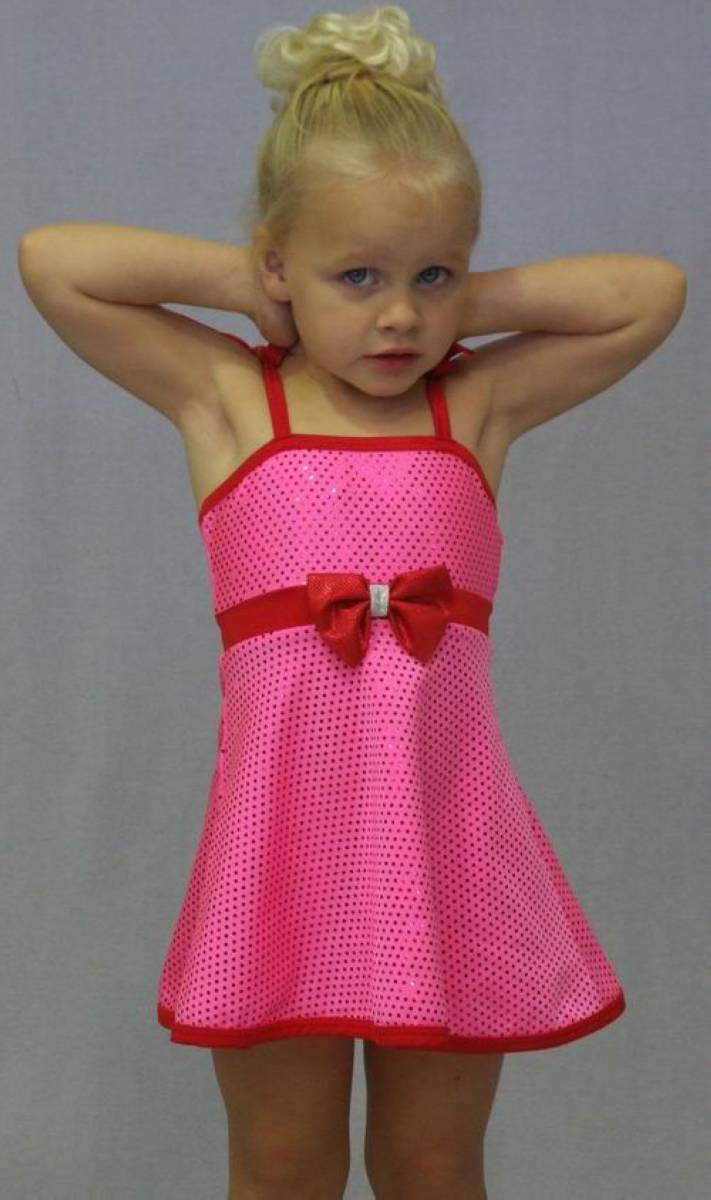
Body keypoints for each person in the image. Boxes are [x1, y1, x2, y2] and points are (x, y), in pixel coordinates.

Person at [17, 6, 687, 1199]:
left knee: (433, 1165)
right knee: (283, 1168)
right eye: (358, 276)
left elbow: (652, 291)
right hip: (281, 853)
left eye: (432, 276)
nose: (398, 316)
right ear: (281, 267)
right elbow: (50, 259)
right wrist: (257, 287)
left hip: (445, 846)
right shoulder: (231, 402)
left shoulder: (472, 408)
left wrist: (449, 300)